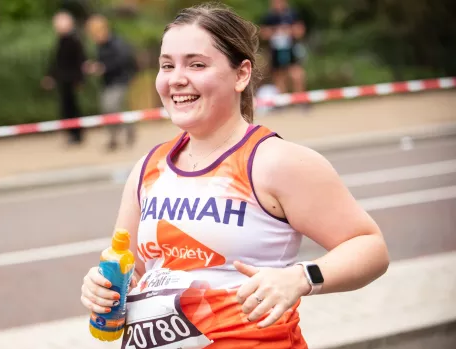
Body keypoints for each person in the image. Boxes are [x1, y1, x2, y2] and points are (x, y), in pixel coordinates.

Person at [80, 3, 389, 348]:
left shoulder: (275, 161)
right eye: (167, 65)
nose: (177, 78)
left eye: (196, 64)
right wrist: (102, 288)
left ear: (241, 74)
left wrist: (301, 278)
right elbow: (133, 271)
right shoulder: (148, 167)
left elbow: (370, 247)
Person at [84, 14, 138, 151]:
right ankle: (125, 131)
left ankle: (115, 137)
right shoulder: (100, 46)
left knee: (111, 107)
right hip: (108, 82)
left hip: (120, 80)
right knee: (111, 109)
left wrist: (104, 67)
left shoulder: (117, 43)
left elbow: (123, 60)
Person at [42, 11, 87, 145]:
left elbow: (80, 61)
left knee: (73, 108)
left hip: (71, 80)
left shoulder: (74, 40)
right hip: (63, 80)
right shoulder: (61, 41)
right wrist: (51, 76)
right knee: (66, 108)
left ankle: (77, 134)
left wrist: (79, 80)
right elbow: (57, 62)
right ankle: (71, 134)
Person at [260, 0, 307, 95]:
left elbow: (300, 31)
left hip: (291, 50)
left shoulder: (293, 15)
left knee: (297, 75)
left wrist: (289, 31)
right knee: (278, 76)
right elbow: (263, 34)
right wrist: (275, 31)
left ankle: (301, 101)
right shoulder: (268, 17)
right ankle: (283, 103)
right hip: (276, 51)